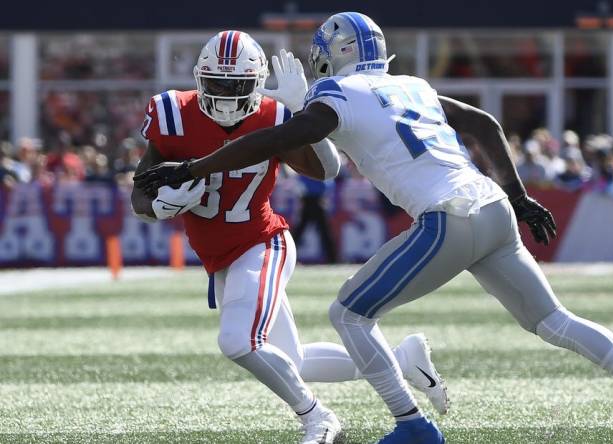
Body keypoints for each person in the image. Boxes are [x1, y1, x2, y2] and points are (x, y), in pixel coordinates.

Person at [134, 15, 613, 444]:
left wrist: (194, 167)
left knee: (348, 315)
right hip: (491, 207)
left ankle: (412, 426)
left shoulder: (335, 92)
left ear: (330, 55)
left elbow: (269, 141)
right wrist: (518, 194)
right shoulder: (412, 85)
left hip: (446, 217)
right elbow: (484, 123)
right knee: (555, 321)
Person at [130, 30, 447, 444]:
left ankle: (316, 417)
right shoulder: (173, 112)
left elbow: (326, 170)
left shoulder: (273, 115)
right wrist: (156, 206)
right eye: (217, 84)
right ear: (198, 78)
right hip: (221, 257)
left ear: (257, 84)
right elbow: (141, 189)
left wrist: (301, 110)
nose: (226, 95)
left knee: (238, 341)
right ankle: (403, 361)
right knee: (290, 359)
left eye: (237, 86)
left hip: (261, 242)